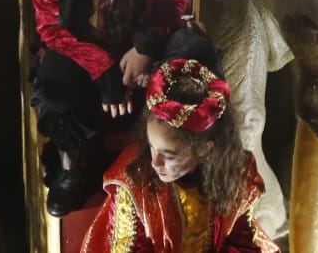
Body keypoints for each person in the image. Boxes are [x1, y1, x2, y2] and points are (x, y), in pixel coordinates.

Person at [29, 0, 188, 216]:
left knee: (191, 55)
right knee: (53, 78)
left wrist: (145, 45)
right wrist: (102, 67)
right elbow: (49, 27)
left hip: (139, 41)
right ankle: (72, 168)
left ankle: (170, 155)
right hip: (82, 49)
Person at [80, 58, 278, 253]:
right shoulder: (135, 179)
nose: (155, 163)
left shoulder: (236, 172)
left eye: (170, 155)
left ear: (204, 148)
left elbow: (241, 238)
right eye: (152, 147)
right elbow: (132, 248)